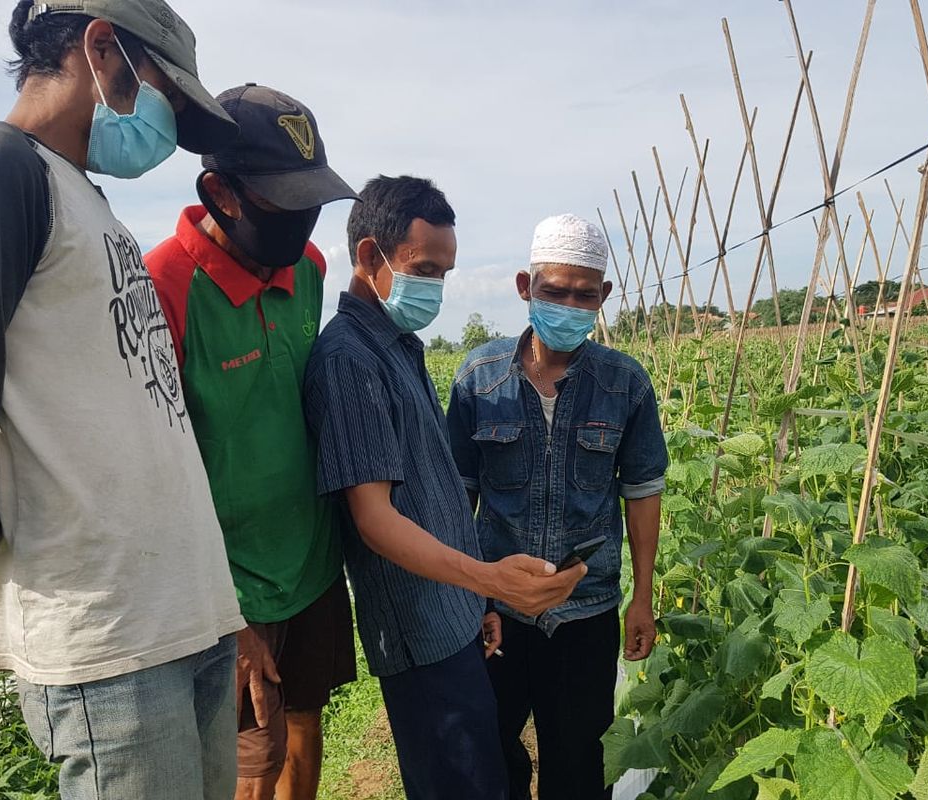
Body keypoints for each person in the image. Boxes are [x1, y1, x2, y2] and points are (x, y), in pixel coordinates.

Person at [0, 2, 246, 798]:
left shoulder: (87, 199)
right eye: (159, 88)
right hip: (108, 637)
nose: (161, 124)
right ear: (101, 49)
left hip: (184, 611)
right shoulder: (2, 167)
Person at [303, 176, 587, 799]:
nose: (433, 287)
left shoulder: (399, 346)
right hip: (419, 633)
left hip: (450, 616)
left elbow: (434, 494)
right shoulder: (349, 359)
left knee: (484, 774)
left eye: (443, 272)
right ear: (370, 257)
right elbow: (375, 519)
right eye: (423, 268)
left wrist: (476, 601)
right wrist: (489, 580)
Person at [145, 84, 358, 800]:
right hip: (228, 585)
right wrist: (226, 613)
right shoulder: (163, 287)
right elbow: (155, 471)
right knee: (252, 758)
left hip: (311, 561)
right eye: (283, 203)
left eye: (311, 202)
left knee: (305, 723)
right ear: (220, 192)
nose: (301, 222)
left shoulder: (309, 273)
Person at [446, 213, 668, 800]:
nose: (568, 305)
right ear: (526, 287)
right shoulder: (479, 378)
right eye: (554, 292)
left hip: (585, 608)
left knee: (578, 764)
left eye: (584, 295)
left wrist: (641, 599)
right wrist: (470, 598)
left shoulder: (625, 383)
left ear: (604, 298)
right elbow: (460, 496)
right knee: (492, 756)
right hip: (498, 610)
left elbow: (642, 492)